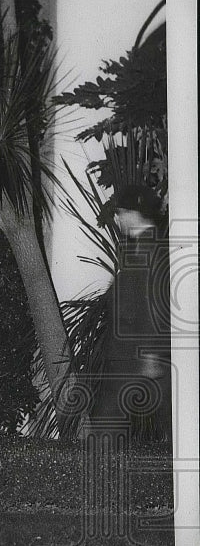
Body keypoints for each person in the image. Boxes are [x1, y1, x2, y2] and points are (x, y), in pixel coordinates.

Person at [90, 185, 171, 443]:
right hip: (131, 357)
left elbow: (153, 303)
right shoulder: (139, 248)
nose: (117, 218)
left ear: (136, 213)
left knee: (108, 425)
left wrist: (150, 354)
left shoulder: (152, 250)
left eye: (122, 212)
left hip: (139, 357)